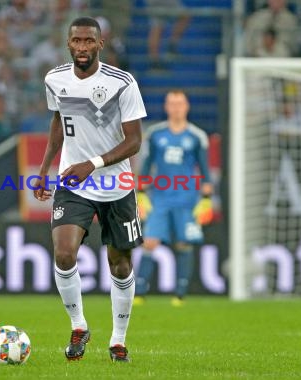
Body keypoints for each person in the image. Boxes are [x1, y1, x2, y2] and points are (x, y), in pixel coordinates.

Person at [34, 17, 147, 363]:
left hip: (116, 185)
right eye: (76, 41)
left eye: (88, 41)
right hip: (73, 184)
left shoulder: (122, 83)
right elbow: (58, 120)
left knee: (120, 266)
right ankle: (79, 326)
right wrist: (44, 168)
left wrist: (93, 164)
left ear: (100, 44)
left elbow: (134, 142)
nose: (82, 47)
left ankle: (118, 340)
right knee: (64, 253)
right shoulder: (55, 79)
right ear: (68, 44)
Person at [133, 90, 213, 307]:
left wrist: (206, 199)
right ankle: (139, 292)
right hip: (160, 197)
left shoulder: (197, 136)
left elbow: (205, 170)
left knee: (184, 243)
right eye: (172, 104)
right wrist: (141, 195)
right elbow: (147, 166)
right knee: (149, 242)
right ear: (166, 107)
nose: (176, 108)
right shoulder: (155, 134)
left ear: (186, 107)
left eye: (180, 104)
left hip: (187, 198)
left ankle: (180, 293)